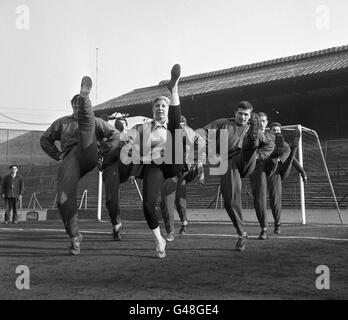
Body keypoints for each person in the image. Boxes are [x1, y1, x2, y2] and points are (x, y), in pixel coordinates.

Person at [40, 76, 120, 255]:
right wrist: (57, 154)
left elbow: (115, 135)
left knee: (87, 125)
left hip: (89, 151)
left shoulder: (98, 122)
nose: (77, 109)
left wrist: (103, 151)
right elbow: (44, 140)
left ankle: (86, 98)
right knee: (62, 198)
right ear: (71, 107)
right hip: (70, 158)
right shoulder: (61, 123)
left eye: (80, 106)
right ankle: (74, 236)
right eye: (76, 106)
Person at [203, 102, 275, 251]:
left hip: (246, 159)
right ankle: (242, 234)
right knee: (229, 200)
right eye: (240, 113)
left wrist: (259, 157)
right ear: (235, 112)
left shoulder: (251, 127)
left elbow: (270, 145)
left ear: (250, 116)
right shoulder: (222, 123)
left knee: (251, 143)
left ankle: (253, 138)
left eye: (246, 114)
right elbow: (202, 134)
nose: (243, 117)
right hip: (228, 163)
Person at [128, 64, 182, 258]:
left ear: (168, 110)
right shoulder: (144, 129)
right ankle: (159, 239)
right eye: (157, 106)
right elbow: (135, 152)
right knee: (148, 205)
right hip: (153, 166)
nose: (160, 108)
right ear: (153, 111)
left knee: (175, 130)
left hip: (173, 161)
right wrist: (134, 172)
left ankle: (174, 89)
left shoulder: (175, 124)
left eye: (164, 106)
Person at [160, 115, 205, 241]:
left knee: (175, 197)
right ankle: (180, 223)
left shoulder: (185, 131)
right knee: (174, 198)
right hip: (176, 169)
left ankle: (178, 225)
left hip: (183, 170)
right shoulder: (169, 132)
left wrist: (200, 171)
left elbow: (198, 147)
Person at [249, 113, 290, 240]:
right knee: (259, 198)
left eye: (263, 121)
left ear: (266, 123)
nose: (261, 123)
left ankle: (277, 223)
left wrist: (280, 159)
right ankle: (264, 229)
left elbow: (287, 148)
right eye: (258, 121)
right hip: (257, 168)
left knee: (275, 197)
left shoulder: (273, 136)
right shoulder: (248, 135)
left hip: (273, 169)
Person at [266, 122, 307, 234]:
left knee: (275, 199)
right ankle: (275, 224)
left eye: (278, 130)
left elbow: (293, 161)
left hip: (279, 172)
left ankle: (294, 148)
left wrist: (302, 171)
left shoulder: (284, 145)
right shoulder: (265, 142)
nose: (276, 132)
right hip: (267, 170)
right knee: (273, 199)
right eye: (274, 130)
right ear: (269, 132)